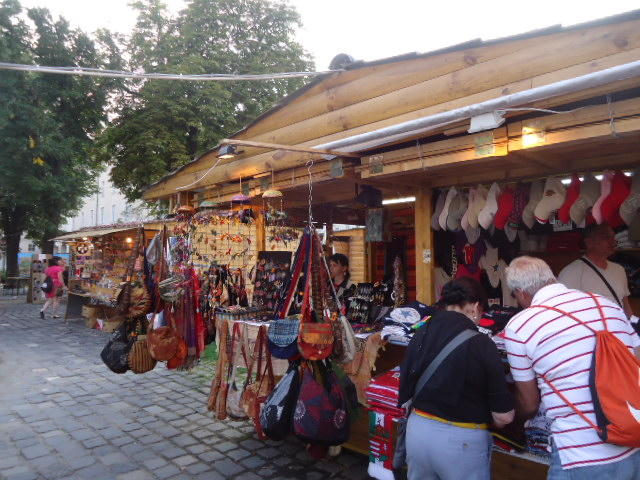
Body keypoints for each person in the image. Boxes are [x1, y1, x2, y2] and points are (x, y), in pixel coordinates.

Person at [504, 256, 640, 479]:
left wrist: (511, 422)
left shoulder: (520, 325)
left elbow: (529, 404)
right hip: (633, 441)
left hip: (580, 455)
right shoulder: (606, 304)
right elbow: (635, 357)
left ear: (521, 293)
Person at [398, 277, 514, 480]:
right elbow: (503, 416)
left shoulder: (420, 331)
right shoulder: (481, 343)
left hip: (417, 433)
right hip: (460, 443)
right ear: (476, 307)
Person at [558, 223, 634, 318]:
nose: (613, 242)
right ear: (588, 242)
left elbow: (625, 304)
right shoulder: (571, 272)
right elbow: (564, 309)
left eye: (613, 237)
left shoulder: (619, 270)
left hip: (618, 325)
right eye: (606, 237)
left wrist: (632, 323)